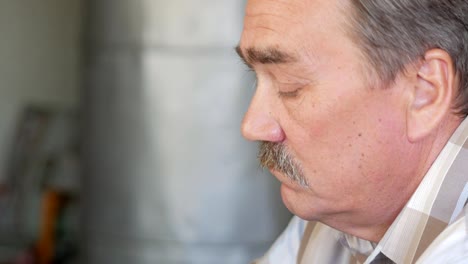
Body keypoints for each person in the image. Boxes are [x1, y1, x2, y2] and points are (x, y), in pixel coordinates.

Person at [235, 0, 468, 263]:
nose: (252, 126)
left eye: (290, 86)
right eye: (257, 77)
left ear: (425, 92)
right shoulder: (344, 216)